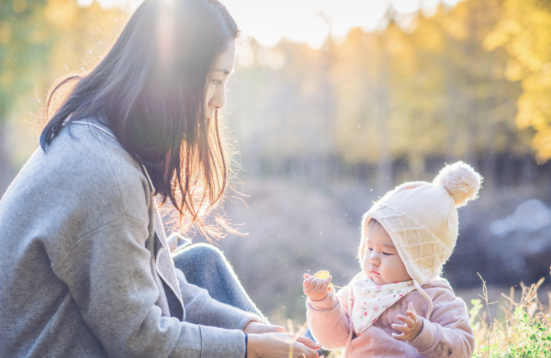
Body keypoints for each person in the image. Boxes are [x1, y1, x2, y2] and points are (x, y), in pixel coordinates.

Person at [0, 0, 321, 357]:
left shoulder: (95, 140)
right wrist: (248, 348)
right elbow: (140, 343)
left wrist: (248, 328)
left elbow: (154, 277)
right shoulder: (103, 175)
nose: (221, 101)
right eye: (214, 80)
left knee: (201, 263)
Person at [303, 161, 480, 357]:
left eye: (386, 253)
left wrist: (423, 332)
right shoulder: (361, 287)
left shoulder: (434, 296)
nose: (373, 259)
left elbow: (463, 347)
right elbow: (332, 340)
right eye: (369, 248)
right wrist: (323, 304)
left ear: (419, 259)